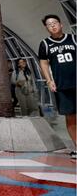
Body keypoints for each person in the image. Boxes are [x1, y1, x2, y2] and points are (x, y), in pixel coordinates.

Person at [38, 14, 76, 159]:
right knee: (70, 116)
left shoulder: (73, 39)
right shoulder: (45, 44)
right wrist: (49, 80)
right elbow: (43, 63)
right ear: (46, 28)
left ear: (61, 24)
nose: (52, 25)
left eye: (55, 23)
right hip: (62, 85)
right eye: (49, 24)